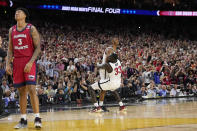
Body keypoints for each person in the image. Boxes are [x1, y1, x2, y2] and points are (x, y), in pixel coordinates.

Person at [6, 8, 41, 128]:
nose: (17, 13)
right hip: (17, 62)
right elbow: (10, 49)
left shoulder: (31, 28)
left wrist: (31, 62)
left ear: (25, 15)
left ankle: (37, 117)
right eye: (16, 12)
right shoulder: (12, 30)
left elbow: (38, 48)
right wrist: (7, 64)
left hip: (28, 60)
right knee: (21, 92)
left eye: (19, 12)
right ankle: (23, 120)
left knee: (31, 89)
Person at [88, 44, 126, 112]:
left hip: (110, 82)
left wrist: (95, 62)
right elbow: (114, 54)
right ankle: (122, 106)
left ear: (111, 58)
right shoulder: (118, 61)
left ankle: (97, 107)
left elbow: (98, 66)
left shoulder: (107, 65)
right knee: (111, 90)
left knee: (90, 87)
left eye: (109, 56)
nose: (108, 56)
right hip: (117, 83)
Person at [0, 36, 9, 118]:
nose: (1, 41)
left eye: (1, 40)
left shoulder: (1, 51)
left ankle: (1, 111)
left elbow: (6, 58)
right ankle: (1, 112)